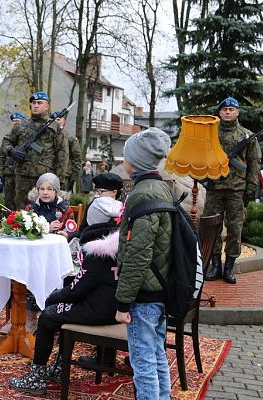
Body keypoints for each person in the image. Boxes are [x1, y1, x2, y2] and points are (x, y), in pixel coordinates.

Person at [9, 198, 121, 396]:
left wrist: (52, 297)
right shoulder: (122, 244)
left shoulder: (98, 251)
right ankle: (60, 366)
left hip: (99, 310)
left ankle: (37, 378)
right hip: (115, 306)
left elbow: (76, 291)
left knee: (48, 317)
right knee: (61, 308)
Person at [115, 128, 173, 400]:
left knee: (143, 362)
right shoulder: (160, 186)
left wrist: (123, 301)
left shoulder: (143, 194)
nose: (123, 161)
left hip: (145, 294)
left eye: (125, 156)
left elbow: (138, 254)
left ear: (135, 162)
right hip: (158, 287)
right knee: (156, 354)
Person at [0, 173, 74, 335]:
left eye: (50, 189)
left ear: (56, 191)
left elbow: (73, 229)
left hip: (52, 258)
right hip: (31, 256)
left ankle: (42, 318)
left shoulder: (64, 209)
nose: (45, 192)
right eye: (42, 189)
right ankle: (21, 317)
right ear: (37, 190)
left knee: (45, 277)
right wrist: (46, 226)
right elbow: (25, 229)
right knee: (20, 274)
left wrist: (65, 233)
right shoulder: (31, 208)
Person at [203, 97, 260, 285]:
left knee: (235, 229)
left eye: (231, 109)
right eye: (224, 109)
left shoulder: (247, 136)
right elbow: (202, 156)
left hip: (237, 190)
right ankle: (215, 265)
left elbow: (253, 164)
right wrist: (203, 177)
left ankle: (229, 268)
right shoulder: (211, 134)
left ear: (238, 112)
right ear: (219, 113)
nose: (228, 112)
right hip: (214, 188)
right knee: (213, 228)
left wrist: (251, 188)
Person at [2, 91, 68, 209]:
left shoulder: (54, 128)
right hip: (22, 177)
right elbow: (6, 141)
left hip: (45, 179)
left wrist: (59, 180)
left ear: (47, 106)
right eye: (33, 103)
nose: (36, 105)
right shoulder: (21, 125)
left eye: (39, 103)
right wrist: (12, 152)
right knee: (21, 211)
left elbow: (62, 154)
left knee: (44, 212)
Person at [0, 113, 26, 210]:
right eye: (13, 121)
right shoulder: (8, 138)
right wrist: (0, 176)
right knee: (9, 203)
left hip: (22, 174)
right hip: (9, 174)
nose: (15, 123)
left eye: (17, 121)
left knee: (21, 202)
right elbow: (2, 158)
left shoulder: (26, 137)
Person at [51, 111, 82, 192]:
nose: (55, 121)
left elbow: (77, 159)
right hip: (48, 173)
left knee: (62, 200)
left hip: (64, 176)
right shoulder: (47, 138)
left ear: (64, 121)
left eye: (58, 119)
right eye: (53, 119)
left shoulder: (70, 138)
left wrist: (73, 177)